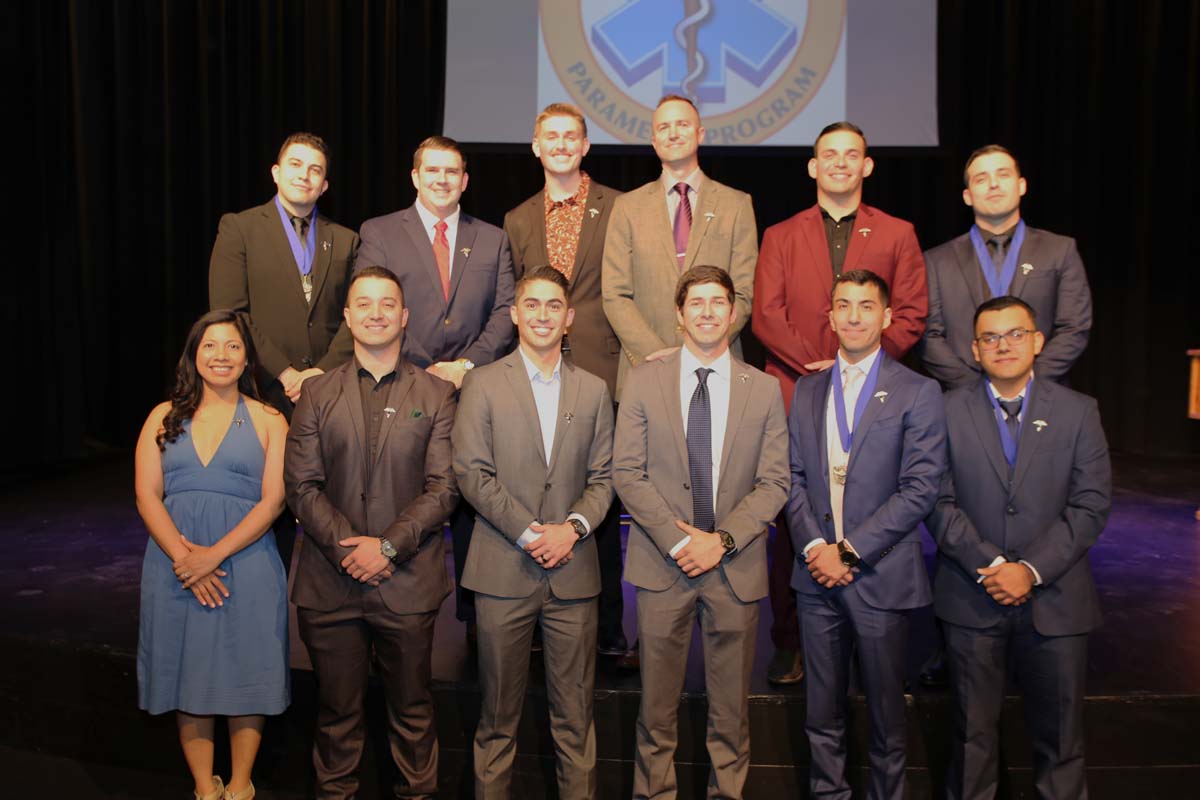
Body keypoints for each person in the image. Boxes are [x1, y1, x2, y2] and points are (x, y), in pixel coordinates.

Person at [752, 120, 928, 685]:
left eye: (851, 155)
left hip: (874, 395)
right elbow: (765, 315)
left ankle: (866, 623)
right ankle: (790, 639)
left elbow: (910, 312)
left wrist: (861, 361)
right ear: (812, 166)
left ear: (867, 165)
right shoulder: (781, 234)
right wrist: (817, 367)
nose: (840, 163)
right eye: (829, 154)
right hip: (796, 391)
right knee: (793, 515)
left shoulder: (898, 233)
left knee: (869, 505)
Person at [613, 266, 789, 799]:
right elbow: (627, 472)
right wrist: (680, 539)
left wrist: (722, 541)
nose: (708, 311)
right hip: (663, 565)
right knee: (655, 711)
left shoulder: (763, 389)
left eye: (719, 302)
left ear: (734, 314)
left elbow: (775, 480)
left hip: (733, 570)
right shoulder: (643, 380)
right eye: (697, 303)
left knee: (731, 714)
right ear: (679, 315)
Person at [284, 267, 459, 799]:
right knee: (337, 717)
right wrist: (349, 550)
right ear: (348, 316)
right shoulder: (316, 393)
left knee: (412, 714)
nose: (376, 312)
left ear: (405, 317)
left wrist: (385, 547)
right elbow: (301, 484)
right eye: (364, 304)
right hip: (328, 584)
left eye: (388, 304)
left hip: (405, 582)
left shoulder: (437, 393)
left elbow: (444, 488)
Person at [927, 296, 1111, 799]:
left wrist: (1029, 569)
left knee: (1062, 743)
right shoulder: (943, 412)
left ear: (1037, 341)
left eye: (1014, 334)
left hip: (1057, 601)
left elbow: (1091, 504)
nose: (1002, 345)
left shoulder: (1078, 412)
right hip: (971, 595)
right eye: (990, 337)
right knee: (971, 741)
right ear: (974, 349)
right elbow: (936, 501)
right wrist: (992, 564)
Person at [453, 266, 614, 799]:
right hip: (503, 569)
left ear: (568, 319)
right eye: (533, 305)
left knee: (576, 720)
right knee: (497, 721)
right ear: (516, 314)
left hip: (574, 572)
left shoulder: (594, 390)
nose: (543, 315)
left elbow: (605, 477)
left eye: (553, 306)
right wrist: (529, 532)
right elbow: (472, 474)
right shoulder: (482, 383)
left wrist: (570, 530)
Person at [786, 270, 946, 800]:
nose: (854, 315)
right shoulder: (807, 391)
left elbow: (920, 488)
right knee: (821, 713)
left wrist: (849, 552)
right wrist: (815, 549)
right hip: (816, 579)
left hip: (880, 575)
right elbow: (793, 479)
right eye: (843, 305)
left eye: (866, 306)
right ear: (829, 317)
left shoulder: (919, 392)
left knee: (885, 719)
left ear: (886, 318)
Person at [358, 135, 514, 630]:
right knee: (405, 492)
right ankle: (390, 602)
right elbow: (372, 305)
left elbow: (506, 312)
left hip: (474, 388)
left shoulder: (492, 238)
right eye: (433, 171)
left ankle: (474, 615)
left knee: (472, 496)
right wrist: (425, 367)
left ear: (465, 180)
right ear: (415, 177)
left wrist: (464, 367)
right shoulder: (380, 232)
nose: (443, 180)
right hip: (404, 384)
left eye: (452, 172)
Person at [135, 310, 290, 800]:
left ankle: (241, 786)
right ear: (193, 354)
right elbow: (146, 494)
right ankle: (205, 788)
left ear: (247, 359)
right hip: (173, 566)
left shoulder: (269, 419)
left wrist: (212, 556)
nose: (220, 356)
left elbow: (275, 500)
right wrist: (186, 558)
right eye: (209, 346)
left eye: (232, 347)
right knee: (189, 670)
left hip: (245, 562)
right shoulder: (162, 416)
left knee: (248, 669)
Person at [503, 102, 629, 658]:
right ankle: (534, 621)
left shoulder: (619, 208)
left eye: (570, 136)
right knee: (537, 488)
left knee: (600, 498)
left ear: (584, 146)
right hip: (536, 371)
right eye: (549, 136)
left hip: (601, 370)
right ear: (535, 147)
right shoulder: (517, 218)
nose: (560, 144)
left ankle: (608, 631)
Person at [209, 131, 359, 574]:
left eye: (315, 170)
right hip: (261, 392)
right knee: (263, 515)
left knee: (329, 511)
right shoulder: (239, 228)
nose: (304, 175)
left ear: (325, 185)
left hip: (328, 395)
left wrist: (319, 374)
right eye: (295, 165)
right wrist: (286, 372)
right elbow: (229, 312)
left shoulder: (346, 240)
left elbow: (356, 314)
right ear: (276, 173)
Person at [602, 95, 758, 397]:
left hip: (716, 368)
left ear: (700, 133)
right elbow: (615, 294)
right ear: (653, 140)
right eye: (664, 127)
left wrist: (699, 351)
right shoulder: (627, 207)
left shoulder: (736, 205)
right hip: (646, 368)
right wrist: (660, 355)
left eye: (682, 124)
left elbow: (742, 294)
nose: (673, 133)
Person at [922, 145, 1093, 389]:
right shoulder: (936, 260)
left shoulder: (1060, 250)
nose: (993, 184)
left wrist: (1029, 381)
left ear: (1021, 185)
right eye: (981, 178)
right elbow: (930, 337)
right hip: (965, 401)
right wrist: (977, 390)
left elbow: (1074, 327)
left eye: (1003, 175)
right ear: (967, 196)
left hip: (1043, 396)